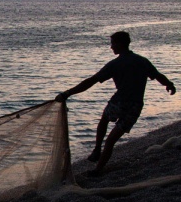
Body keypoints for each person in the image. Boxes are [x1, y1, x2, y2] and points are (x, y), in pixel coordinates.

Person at [55, 31, 176, 177]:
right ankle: (98, 169)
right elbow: (158, 76)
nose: (111, 47)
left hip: (119, 102)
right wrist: (169, 84)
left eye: (113, 44)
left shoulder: (115, 64)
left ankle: (97, 148)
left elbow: (91, 81)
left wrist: (67, 93)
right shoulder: (142, 61)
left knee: (104, 120)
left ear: (120, 44)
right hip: (136, 106)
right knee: (111, 140)